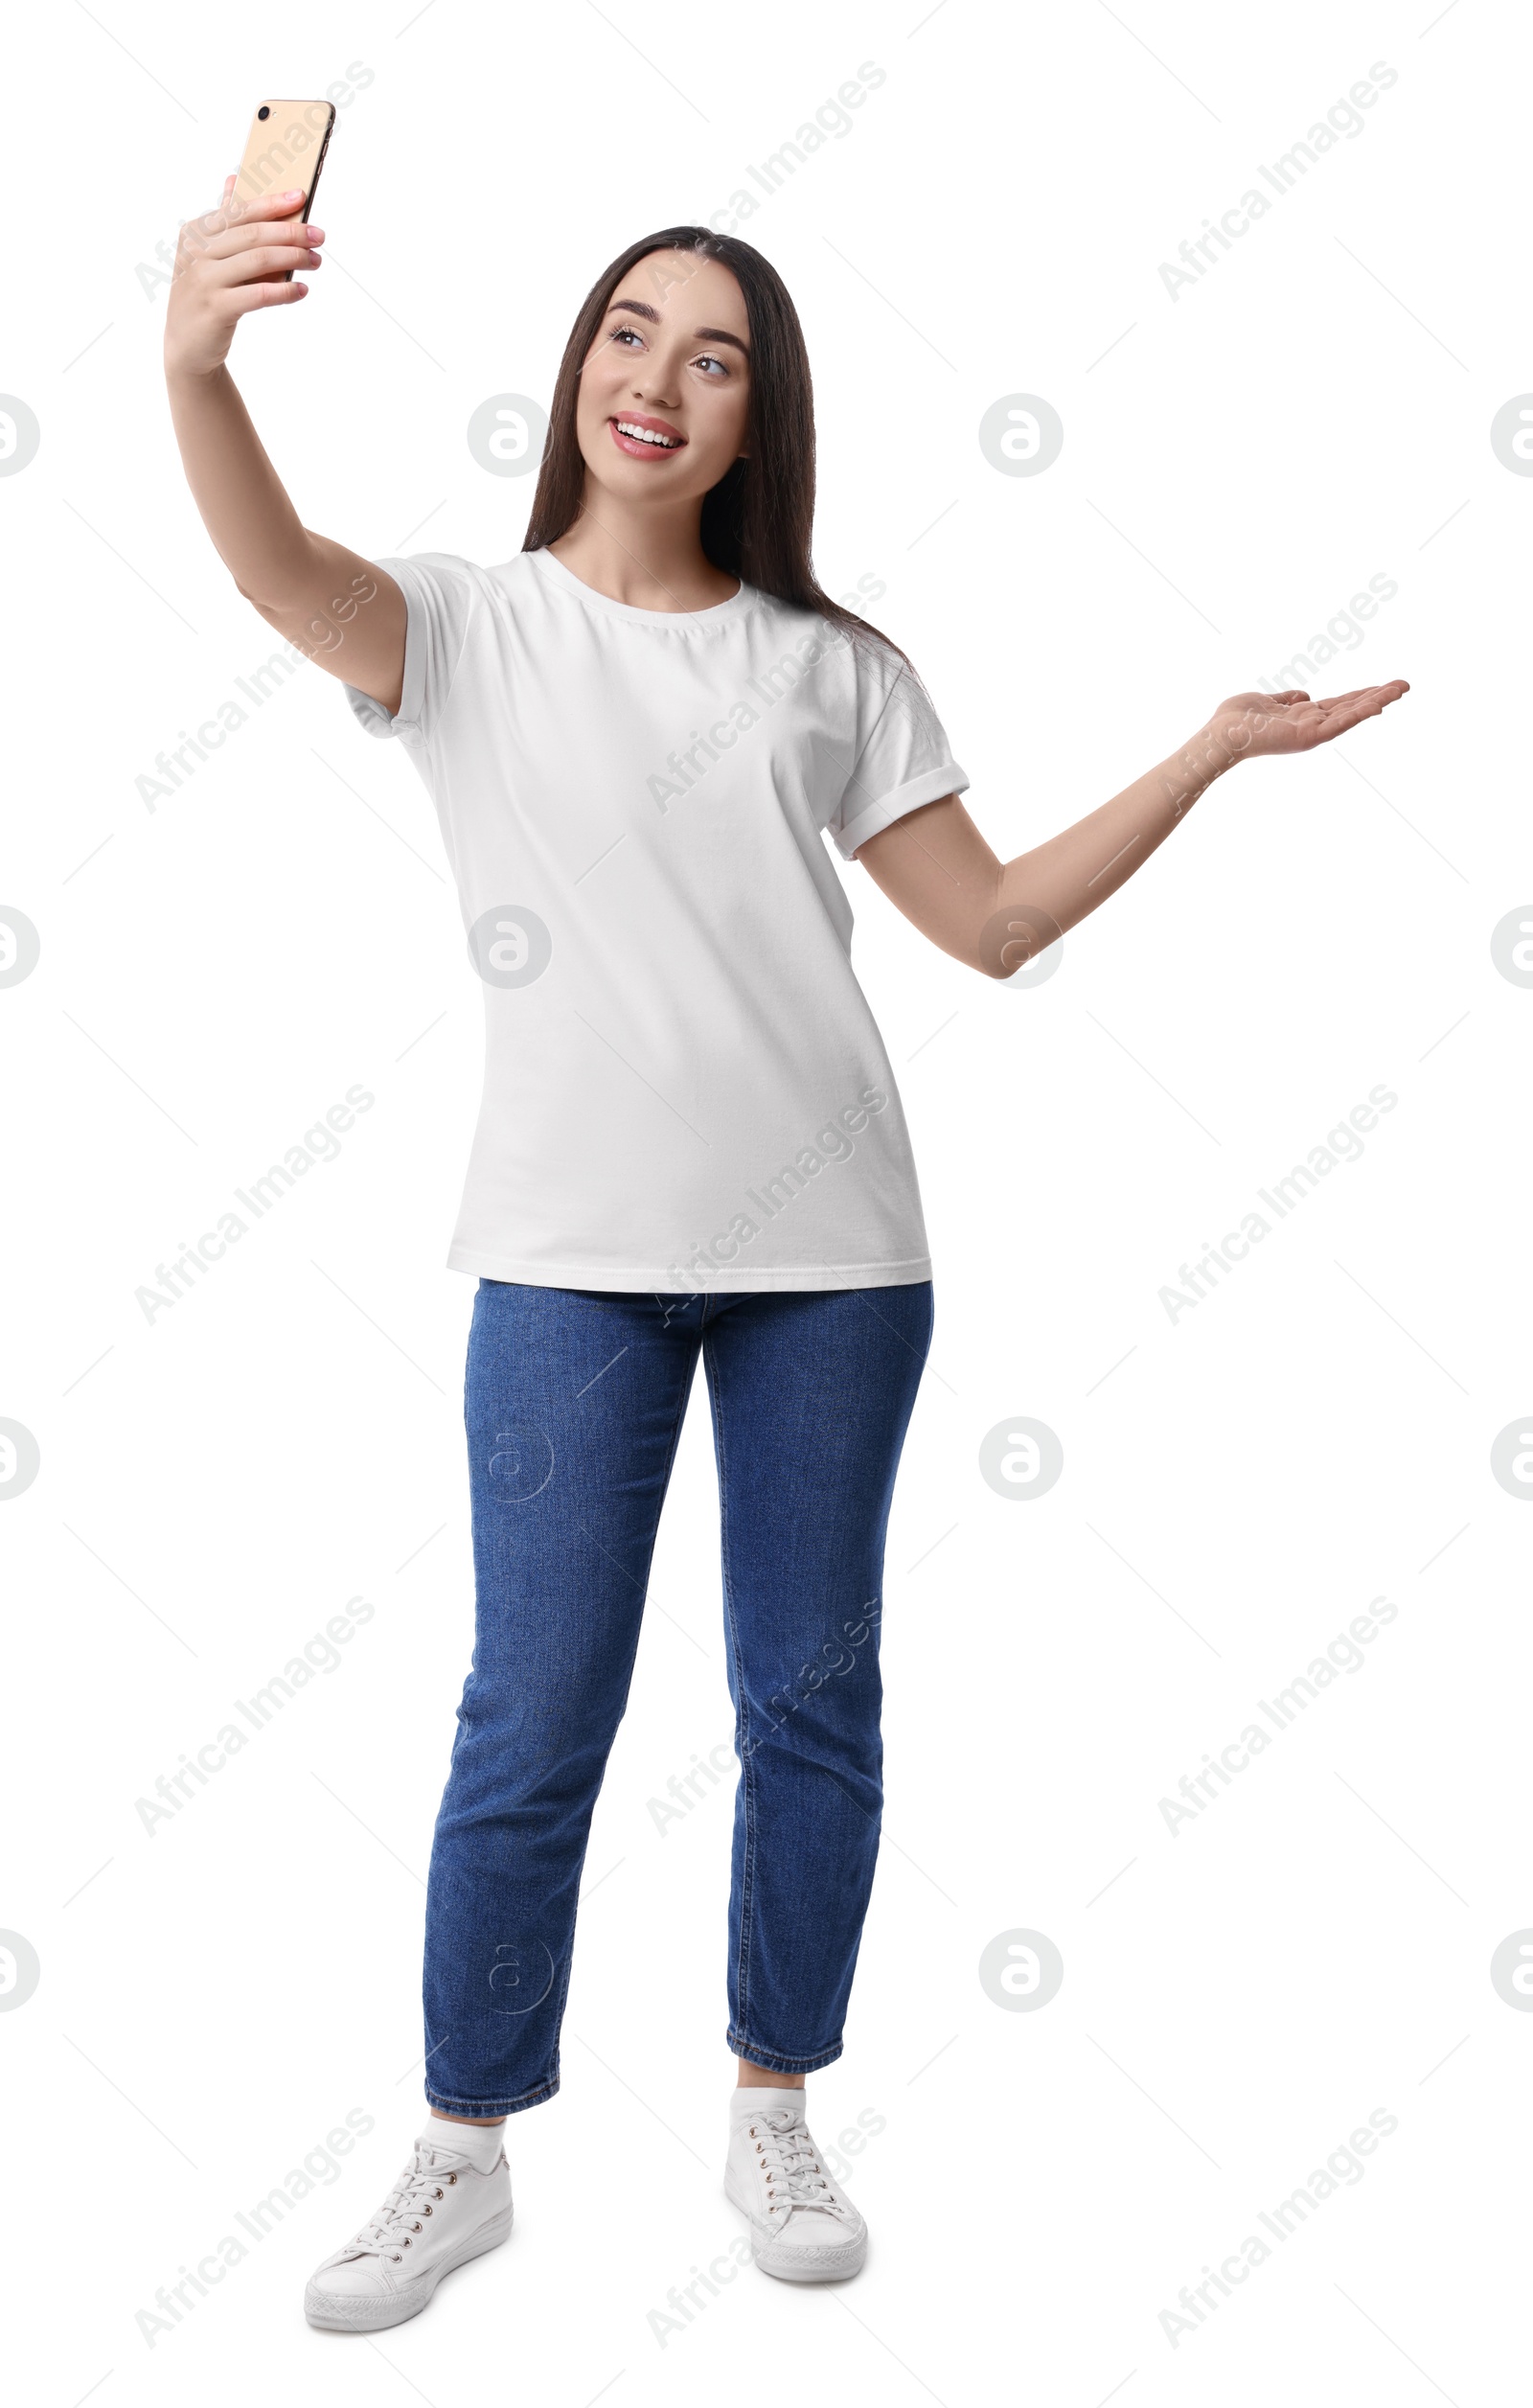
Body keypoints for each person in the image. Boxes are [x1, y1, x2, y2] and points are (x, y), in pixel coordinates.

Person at [163, 188, 1408, 2332]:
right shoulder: (462, 628)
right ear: (576, 374)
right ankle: (461, 2150)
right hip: (559, 1264)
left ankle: (772, 2100)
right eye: (627, 337)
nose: (654, 380)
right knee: (525, 1712)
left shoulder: (830, 669)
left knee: (806, 1705)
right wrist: (193, 361)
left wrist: (1207, 751)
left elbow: (994, 924)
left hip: (833, 1261)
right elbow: (276, 571)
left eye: (710, 356)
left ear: (758, 420)